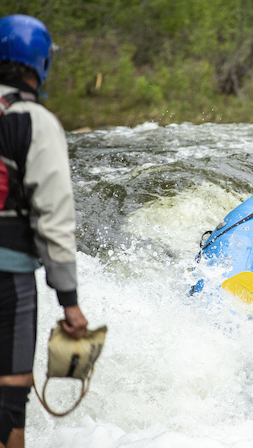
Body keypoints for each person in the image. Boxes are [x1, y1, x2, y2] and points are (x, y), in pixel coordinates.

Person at [0, 14, 89, 448]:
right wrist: (69, 303)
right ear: (39, 64)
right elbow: (54, 220)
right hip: (9, 278)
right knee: (7, 407)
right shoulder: (33, 121)